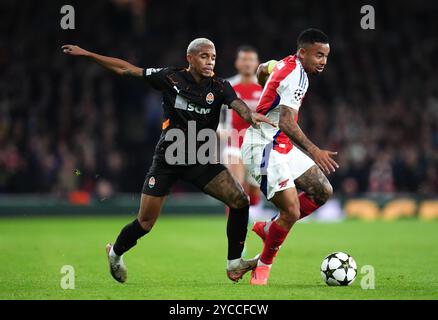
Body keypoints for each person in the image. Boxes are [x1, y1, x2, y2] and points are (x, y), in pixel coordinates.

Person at [61, 38, 274, 284]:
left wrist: (251, 116)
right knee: (145, 223)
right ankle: (116, 253)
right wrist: (88, 53)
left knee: (240, 200)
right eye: (204, 56)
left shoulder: (220, 86)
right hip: (167, 161)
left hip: (200, 160)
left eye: (213, 57)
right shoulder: (170, 78)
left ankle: (234, 263)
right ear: (190, 58)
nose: (210, 61)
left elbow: (238, 106)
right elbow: (126, 69)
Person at [241, 29, 338, 285]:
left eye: (326, 56)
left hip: (280, 145)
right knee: (292, 211)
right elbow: (285, 121)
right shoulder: (296, 75)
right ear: (303, 52)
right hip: (262, 146)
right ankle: (262, 267)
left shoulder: (285, 63)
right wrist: (314, 150)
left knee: (322, 191)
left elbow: (262, 68)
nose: (323, 61)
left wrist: (267, 86)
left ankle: (271, 227)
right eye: (318, 55)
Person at [219, 46, 276, 222]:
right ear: (237, 63)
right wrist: (219, 129)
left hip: (259, 146)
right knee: (236, 191)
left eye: (251, 60)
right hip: (234, 143)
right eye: (244, 59)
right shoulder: (227, 86)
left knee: (254, 193)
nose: (247, 63)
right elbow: (214, 115)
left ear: (257, 63)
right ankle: (237, 239)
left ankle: (254, 211)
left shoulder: (266, 88)